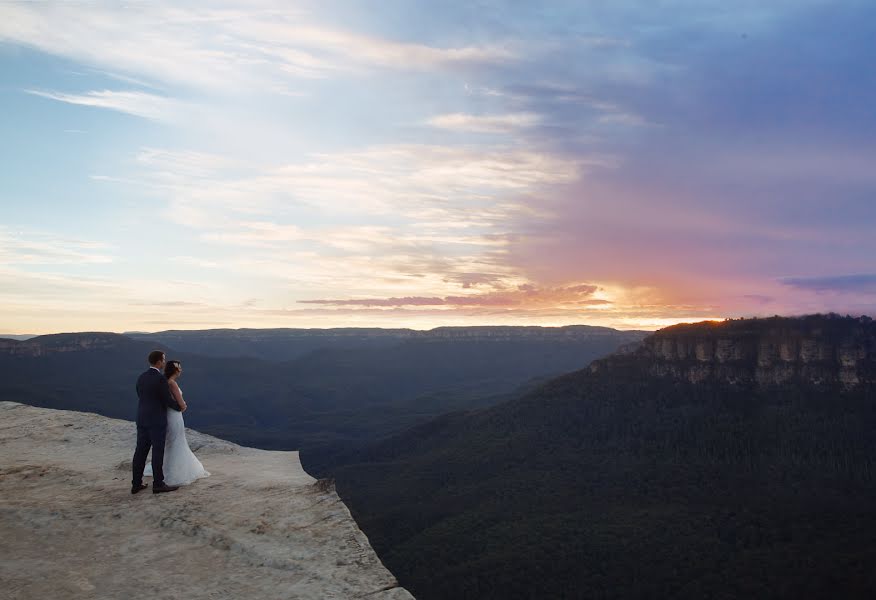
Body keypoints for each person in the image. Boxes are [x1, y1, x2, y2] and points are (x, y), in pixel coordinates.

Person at [143, 359, 210, 486]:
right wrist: (184, 406)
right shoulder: (172, 383)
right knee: (177, 441)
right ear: (176, 370)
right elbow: (181, 404)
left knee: (169, 442)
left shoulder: (163, 381)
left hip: (165, 415)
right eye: (180, 368)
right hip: (174, 416)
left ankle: (164, 468)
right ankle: (176, 472)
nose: (181, 370)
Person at [131, 350, 182, 494]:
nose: (164, 362)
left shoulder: (141, 377)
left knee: (140, 452)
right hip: (156, 420)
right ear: (159, 362)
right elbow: (167, 399)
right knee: (157, 452)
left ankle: (136, 484)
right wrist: (179, 407)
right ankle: (158, 484)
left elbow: (140, 394)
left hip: (142, 418)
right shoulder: (160, 379)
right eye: (163, 359)